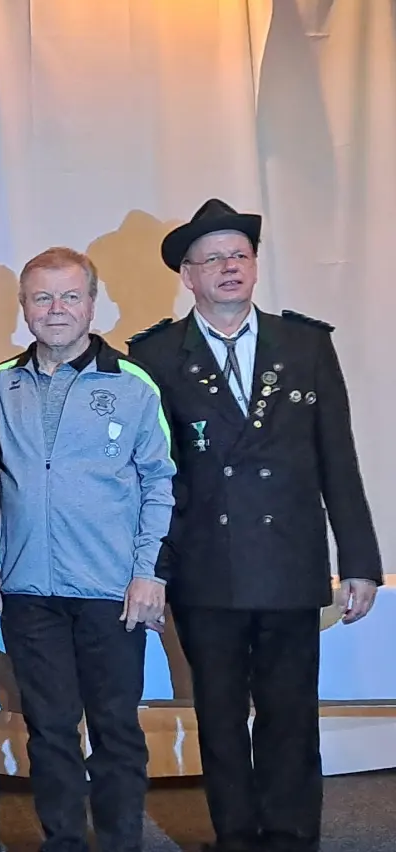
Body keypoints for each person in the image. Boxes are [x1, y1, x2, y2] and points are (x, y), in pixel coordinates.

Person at [127, 199, 380, 852]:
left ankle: (293, 837)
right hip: (205, 565)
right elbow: (150, 478)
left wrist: (358, 559)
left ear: (255, 266)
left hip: (289, 562)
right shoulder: (154, 356)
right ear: (187, 275)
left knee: (291, 716)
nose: (230, 267)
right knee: (218, 718)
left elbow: (338, 458)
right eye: (213, 258)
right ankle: (237, 837)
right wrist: (149, 570)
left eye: (240, 254)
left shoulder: (305, 345)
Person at [0, 247, 175, 852]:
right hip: (29, 590)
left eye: (69, 297)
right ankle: (62, 841)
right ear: (24, 308)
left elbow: (161, 483)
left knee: (115, 729)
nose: (55, 310)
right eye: (42, 297)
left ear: (92, 303)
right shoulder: (0, 384)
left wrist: (148, 573)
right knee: (50, 729)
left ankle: (119, 843)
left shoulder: (132, 383)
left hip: (112, 592)